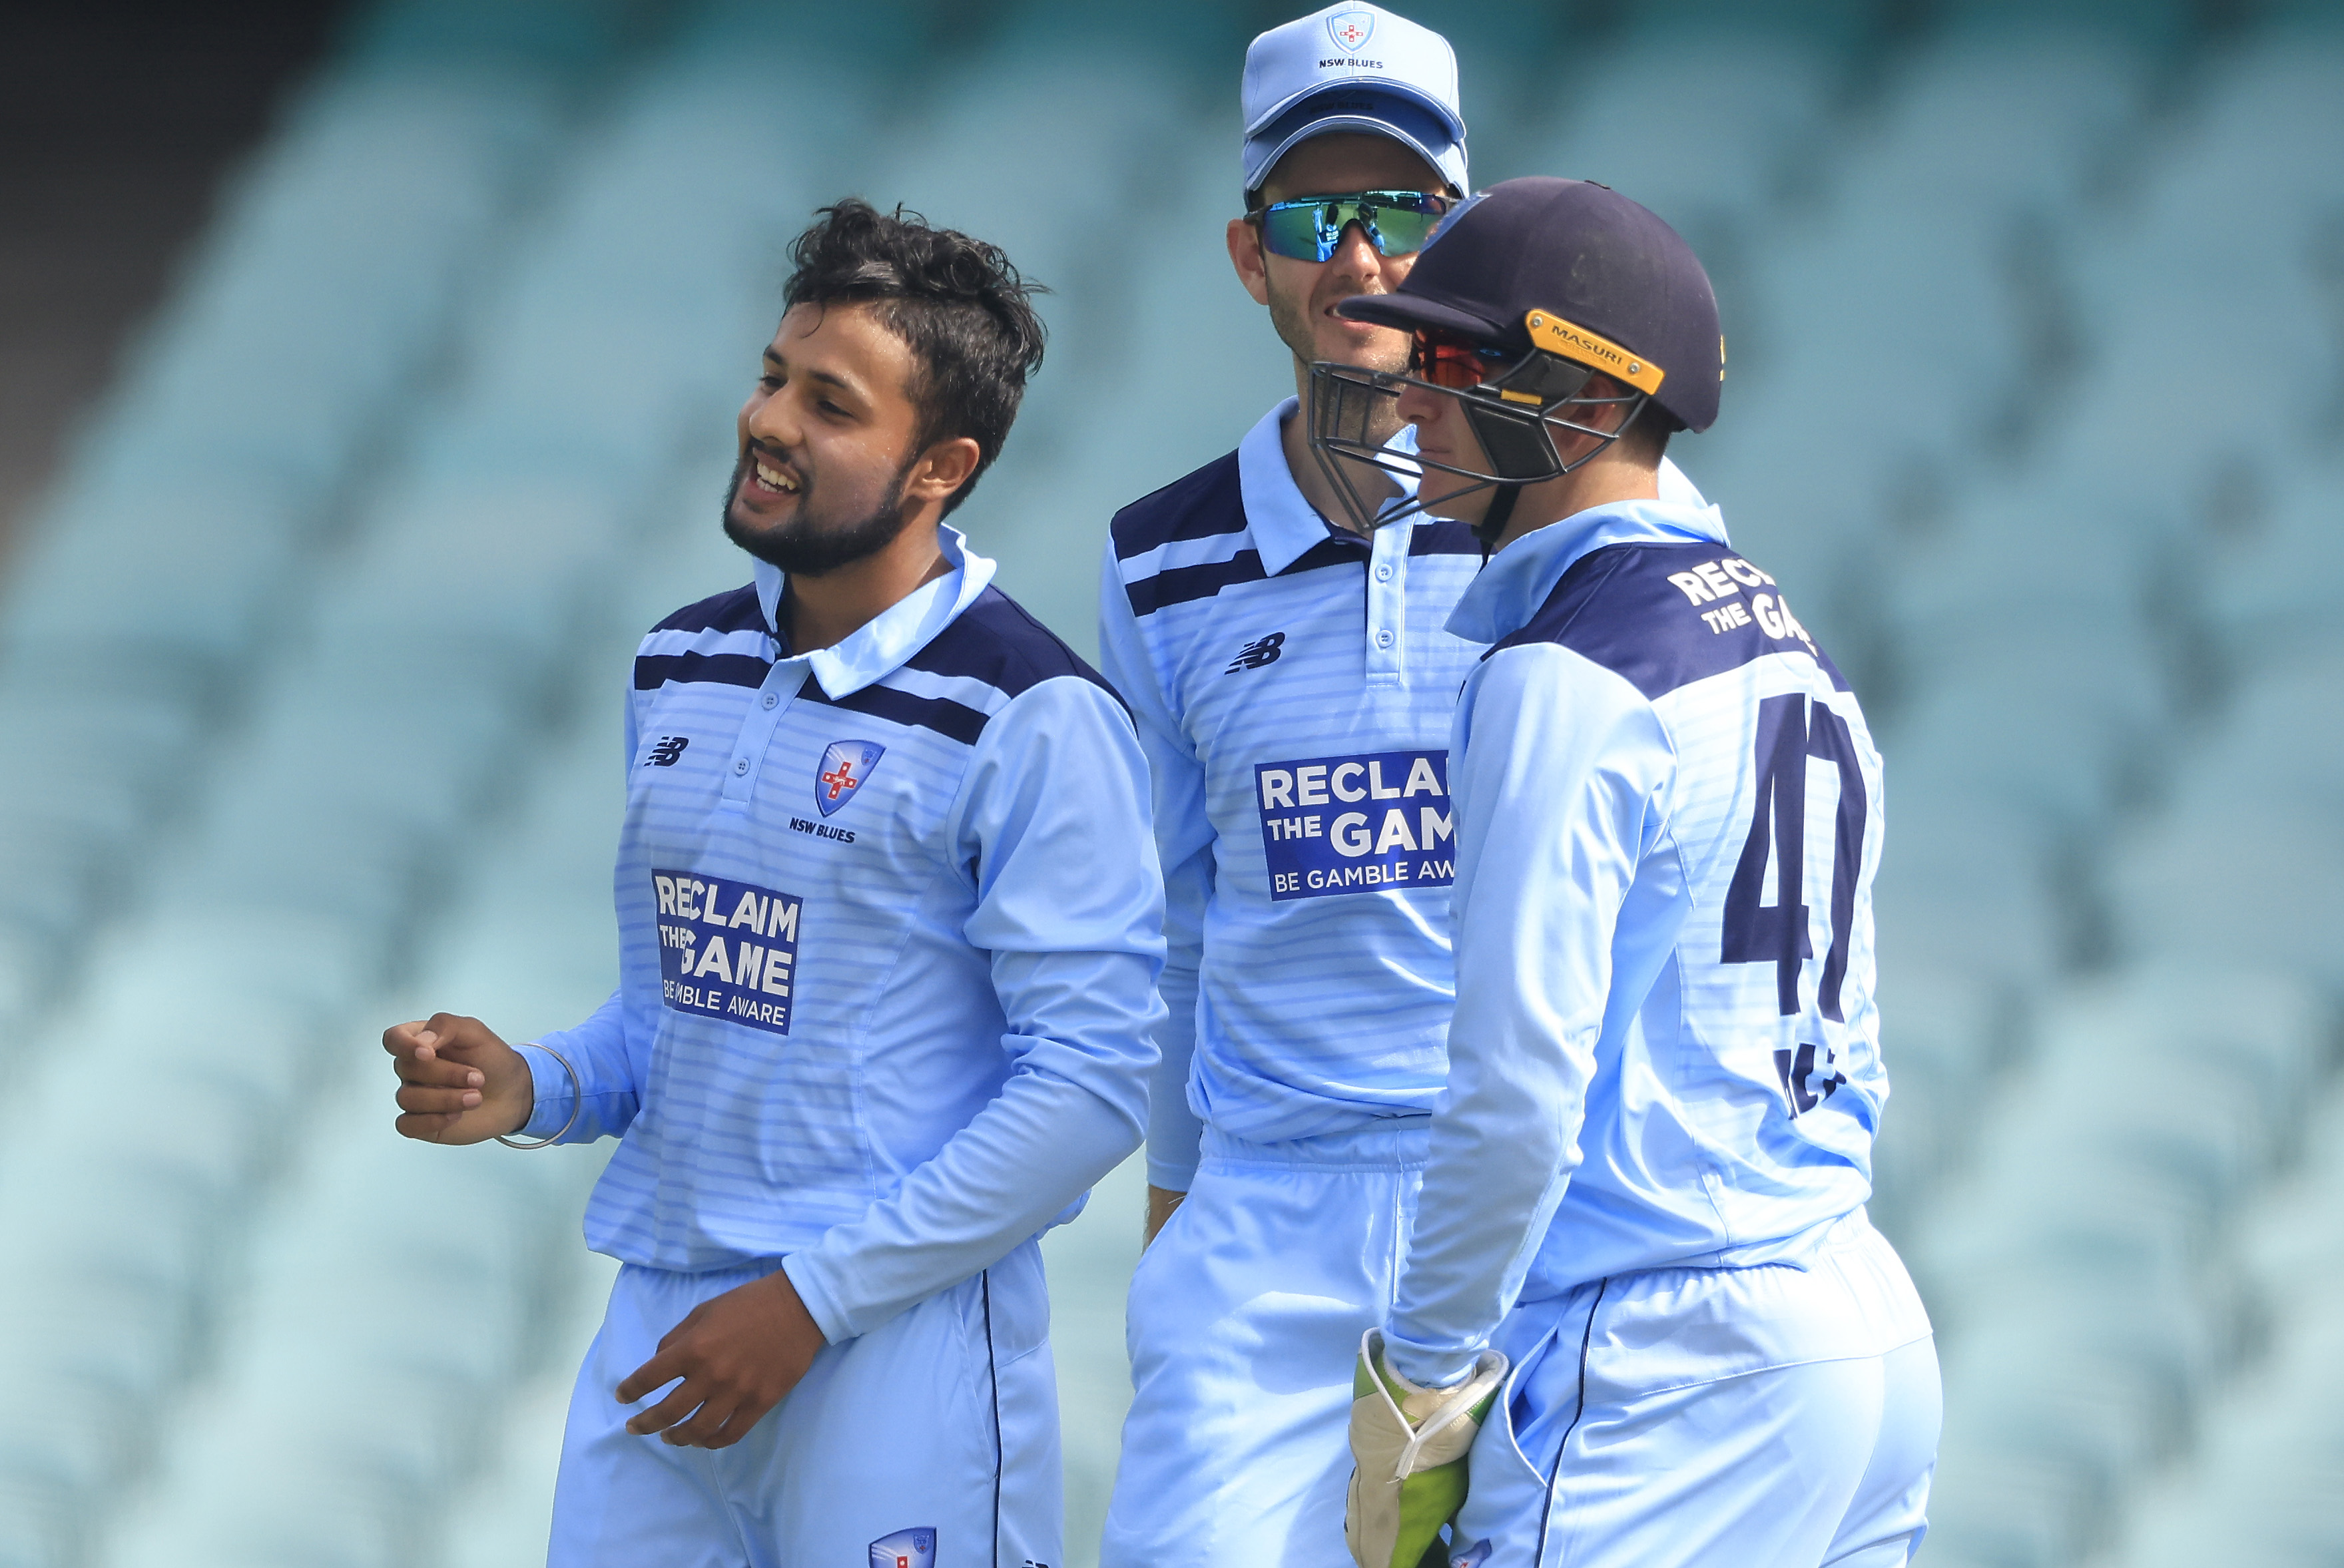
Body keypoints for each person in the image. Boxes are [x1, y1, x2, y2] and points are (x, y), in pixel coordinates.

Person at [381, 200, 1165, 1568]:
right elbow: (681, 1011)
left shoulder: (1030, 713)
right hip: (665, 1328)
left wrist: (809, 1300)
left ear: (939, 466)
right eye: (769, 376)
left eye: (828, 402)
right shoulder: (677, 662)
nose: (767, 421)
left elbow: (1091, 1088)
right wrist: (537, 1084)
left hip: (891, 1348)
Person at [1095, 10, 1709, 1565]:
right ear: (1250, 255)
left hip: (1535, 1211)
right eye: (1315, 215)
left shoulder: (1592, 515)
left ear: (1463, 236)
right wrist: (1177, 1218)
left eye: (1405, 213)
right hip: (1265, 1227)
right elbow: (1178, 924)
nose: (1361, 259)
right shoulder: (1156, 561)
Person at [1314, 176, 1940, 1568]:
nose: (1412, 403)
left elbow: (1515, 1081)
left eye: (1457, 364)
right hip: (1859, 1324)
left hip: (1668, 1366)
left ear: (1589, 406)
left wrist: (1421, 1373)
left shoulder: (1561, 673)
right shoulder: (1785, 633)